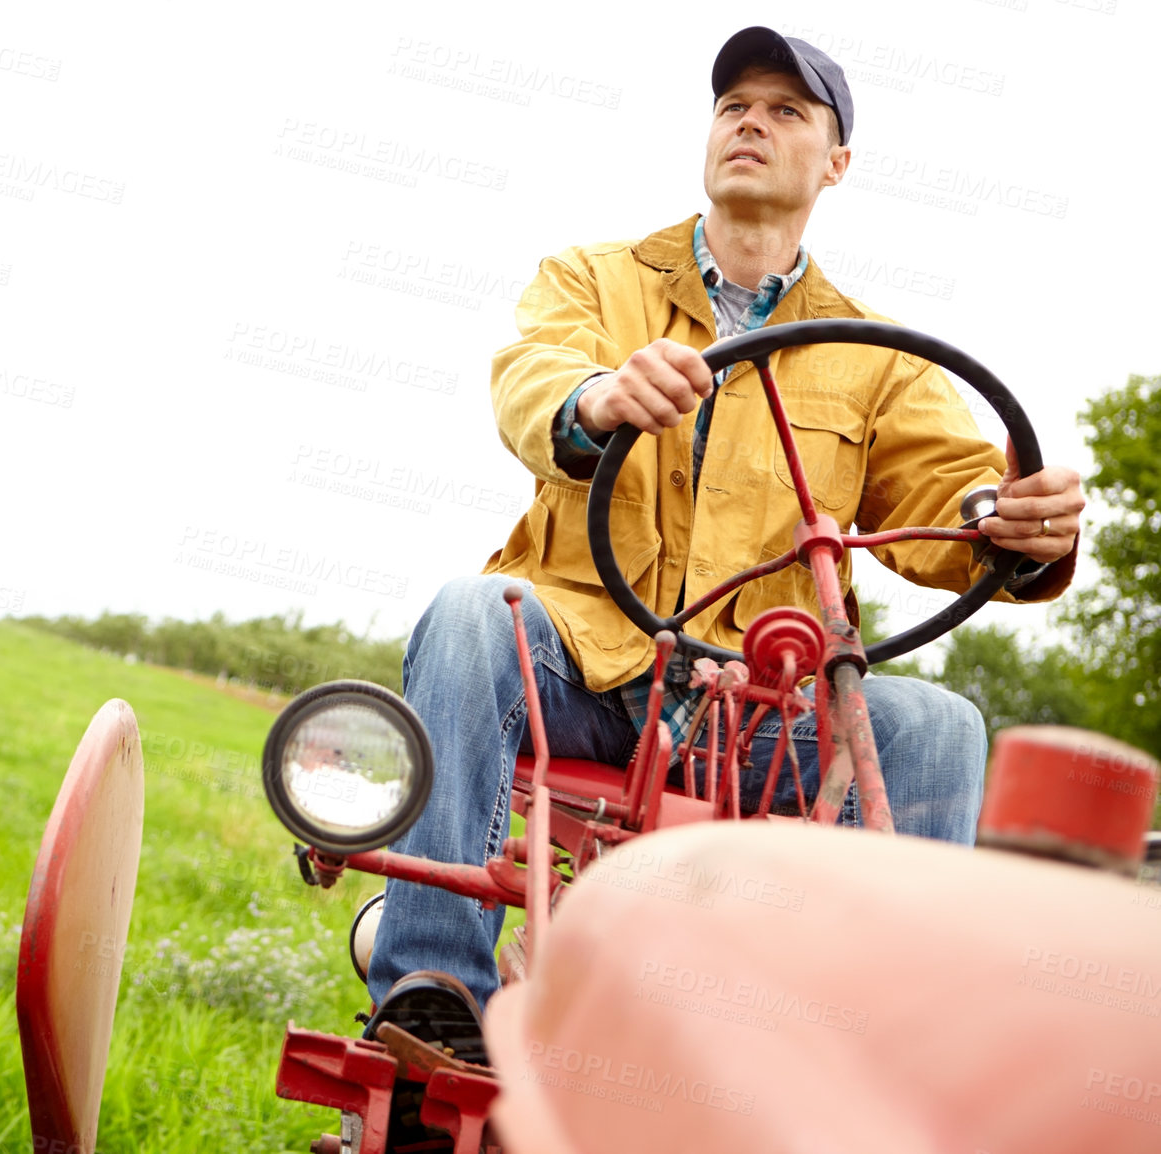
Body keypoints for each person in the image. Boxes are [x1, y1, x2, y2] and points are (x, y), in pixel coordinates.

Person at [361, 26, 1088, 1058]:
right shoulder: (591, 279)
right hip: (581, 659)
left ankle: (881, 1053)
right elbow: (532, 379)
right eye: (733, 104)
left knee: (936, 725)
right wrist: (596, 397)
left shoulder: (869, 352)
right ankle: (433, 992)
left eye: (787, 109)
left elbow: (946, 488)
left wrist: (1003, 520)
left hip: (752, 707)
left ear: (835, 163)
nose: (750, 120)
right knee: (473, 612)